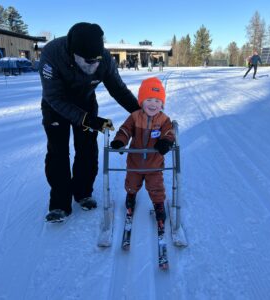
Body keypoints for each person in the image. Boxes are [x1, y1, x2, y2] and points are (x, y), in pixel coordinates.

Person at [39, 22, 140, 222]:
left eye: (97, 61)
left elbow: (118, 89)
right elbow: (54, 98)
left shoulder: (105, 60)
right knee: (58, 152)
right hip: (56, 106)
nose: (93, 66)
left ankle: (83, 192)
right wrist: (87, 120)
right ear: (72, 53)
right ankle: (59, 203)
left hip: (85, 102)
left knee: (87, 149)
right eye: (88, 61)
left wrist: (140, 113)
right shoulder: (52, 55)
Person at [110, 77, 175, 227]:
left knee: (156, 186)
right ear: (141, 101)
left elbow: (169, 133)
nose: (153, 104)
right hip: (135, 161)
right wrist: (120, 141)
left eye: (158, 101)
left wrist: (165, 141)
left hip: (154, 163)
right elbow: (125, 130)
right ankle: (131, 196)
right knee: (132, 183)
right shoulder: (134, 117)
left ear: (162, 104)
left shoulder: (164, 120)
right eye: (149, 99)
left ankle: (159, 205)